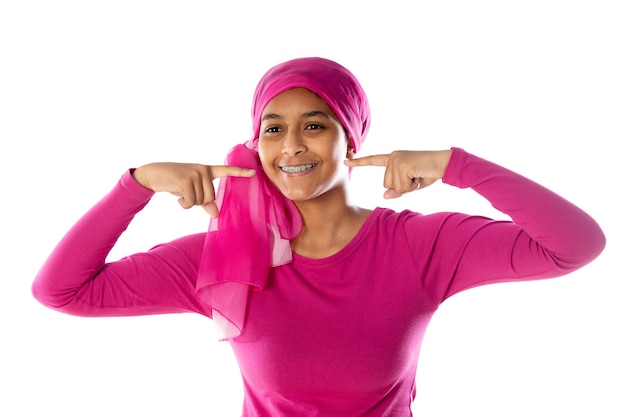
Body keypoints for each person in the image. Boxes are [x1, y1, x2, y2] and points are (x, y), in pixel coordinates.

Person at [32, 56, 606, 416]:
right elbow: (60, 292)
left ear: (350, 140)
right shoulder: (225, 257)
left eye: (314, 125)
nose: (291, 146)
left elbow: (575, 245)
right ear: (255, 144)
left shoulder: (417, 247)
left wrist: (459, 165)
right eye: (273, 129)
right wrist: (135, 185)